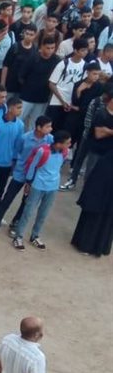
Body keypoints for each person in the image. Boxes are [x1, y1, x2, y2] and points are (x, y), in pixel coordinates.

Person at [70, 86, 113, 257]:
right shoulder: (101, 113)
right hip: (100, 159)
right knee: (93, 196)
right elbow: (99, 133)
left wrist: (109, 131)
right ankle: (85, 242)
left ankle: (99, 245)